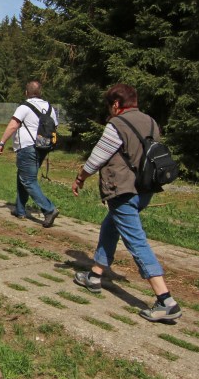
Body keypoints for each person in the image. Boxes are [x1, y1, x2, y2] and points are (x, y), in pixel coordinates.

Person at [71, 83, 181, 322]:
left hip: (123, 191)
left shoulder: (117, 124)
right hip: (144, 190)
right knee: (110, 226)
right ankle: (95, 275)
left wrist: (80, 178)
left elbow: (97, 158)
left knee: (136, 241)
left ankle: (166, 300)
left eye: (110, 106)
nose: (109, 110)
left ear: (117, 104)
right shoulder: (151, 122)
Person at [0, 82, 59, 228]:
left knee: (28, 180)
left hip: (27, 147)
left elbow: (13, 125)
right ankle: (20, 209)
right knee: (23, 176)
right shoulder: (50, 107)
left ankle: (49, 209)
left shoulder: (24, 107)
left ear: (26, 93)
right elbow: (55, 126)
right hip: (43, 146)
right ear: (40, 92)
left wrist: (2, 142)